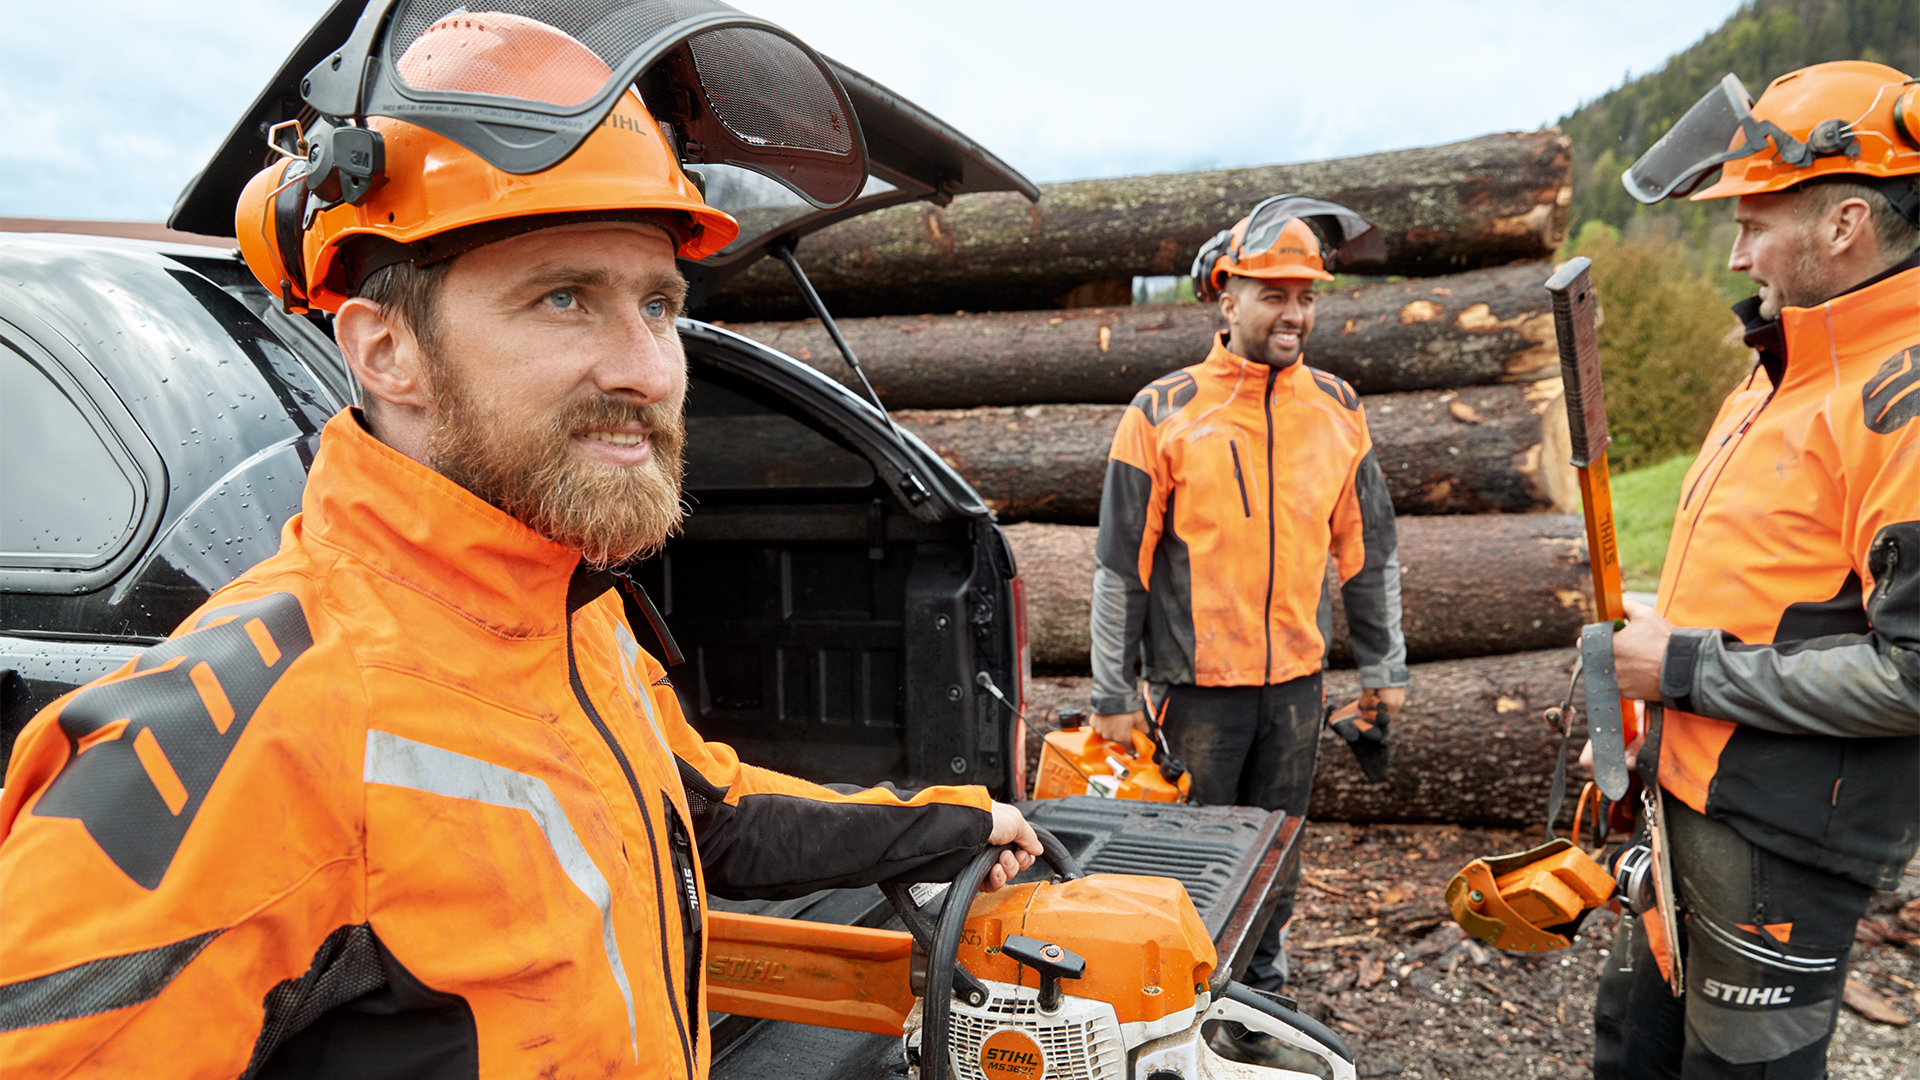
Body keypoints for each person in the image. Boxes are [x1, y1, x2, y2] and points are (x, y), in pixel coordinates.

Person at [0, 14, 1038, 1078]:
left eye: (657, 304)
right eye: (564, 298)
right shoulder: (257, 734)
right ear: (387, 349)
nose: (645, 369)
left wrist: (955, 822)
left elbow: (706, 813)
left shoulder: (570, 618)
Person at [1598, 60, 1920, 1078]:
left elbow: (1912, 672)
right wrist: (1670, 620)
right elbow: (1791, 586)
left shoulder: (1900, 401)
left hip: (1782, 830)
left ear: (1844, 224)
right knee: (1633, 1052)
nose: (1736, 252)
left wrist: (1682, 667)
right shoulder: (1786, 361)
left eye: (1755, 221)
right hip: (1689, 798)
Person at [1087, 196, 1409, 997]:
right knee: (1188, 855)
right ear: (1227, 298)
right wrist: (1110, 695)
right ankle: (1183, 1000)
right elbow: (1119, 566)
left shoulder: (1338, 410)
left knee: (1278, 850)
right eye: (1274, 293)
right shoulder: (1162, 412)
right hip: (1195, 693)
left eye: (1305, 295)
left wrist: (1384, 670)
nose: (1294, 312)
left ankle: (1261, 994)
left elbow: (1368, 553)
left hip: (1298, 686)